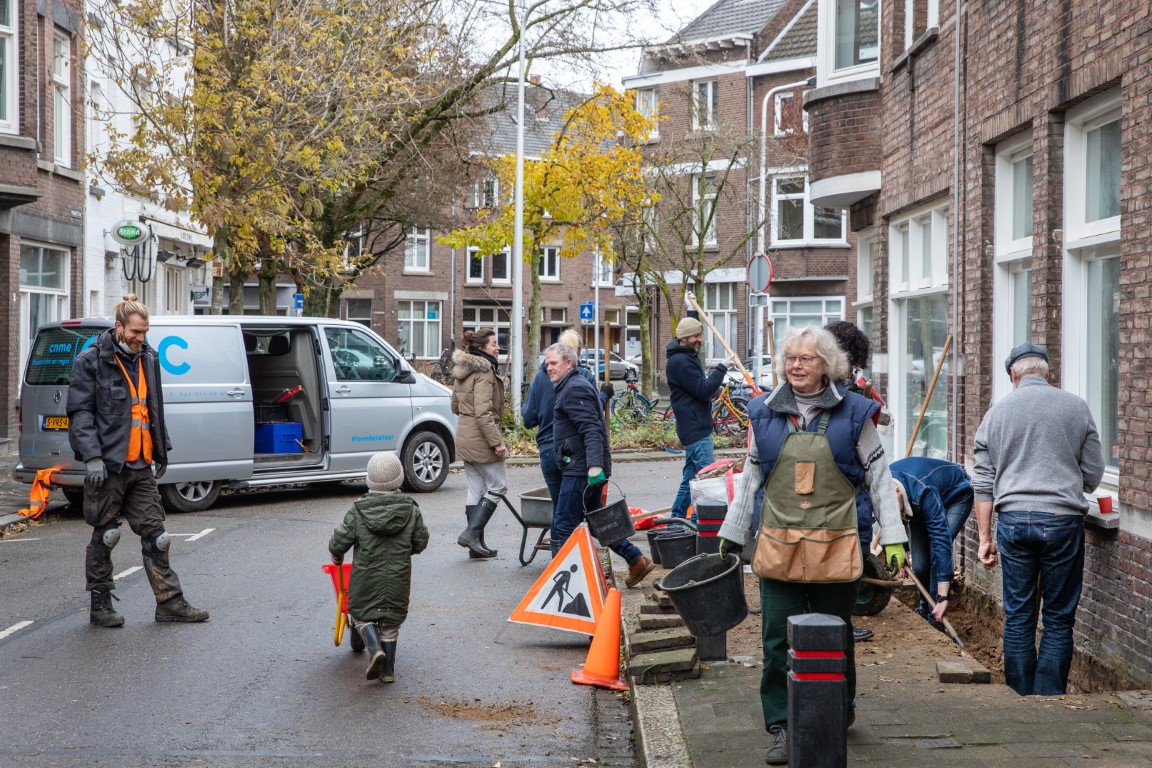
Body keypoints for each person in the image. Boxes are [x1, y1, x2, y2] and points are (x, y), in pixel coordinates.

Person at [716, 325, 908, 765]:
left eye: (807, 359)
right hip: (778, 545)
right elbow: (751, 479)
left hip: (836, 546)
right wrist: (731, 531)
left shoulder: (857, 413)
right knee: (775, 641)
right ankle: (783, 726)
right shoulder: (762, 411)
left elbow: (879, 479)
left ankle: (835, 711)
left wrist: (893, 536)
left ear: (828, 366)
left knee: (835, 636)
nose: (796, 366)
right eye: (791, 359)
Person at [67, 294, 209, 627]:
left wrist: (161, 449)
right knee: (106, 535)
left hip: (140, 463)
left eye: (145, 332)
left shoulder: (148, 358)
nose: (140, 339)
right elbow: (80, 414)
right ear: (118, 327)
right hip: (108, 465)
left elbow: (152, 408)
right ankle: (100, 605)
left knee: (157, 536)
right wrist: (92, 458)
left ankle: (169, 602)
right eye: (135, 332)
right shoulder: (91, 361)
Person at [973, 342, 1104, 696]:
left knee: (1018, 616)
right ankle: (1048, 701)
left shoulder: (995, 414)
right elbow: (1093, 475)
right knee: (1058, 618)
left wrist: (985, 538)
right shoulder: (1076, 407)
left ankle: (1020, 696)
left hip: (1013, 521)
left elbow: (983, 483)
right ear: (1047, 373)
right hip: (1062, 521)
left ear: (1012, 375)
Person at [544, 343, 654, 587]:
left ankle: (567, 585)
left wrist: (594, 466)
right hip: (584, 467)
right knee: (598, 522)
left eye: (553, 363)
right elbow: (592, 414)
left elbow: (592, 429)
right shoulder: (575, 385)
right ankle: (636, 559)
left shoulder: (572, 389)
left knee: (563, 526)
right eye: (547, 363)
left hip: (581, 470)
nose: (547, 367)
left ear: (569, 364)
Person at [329, 451, 429, 682]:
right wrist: (406, 552)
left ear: (369, 480)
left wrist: (336, 555)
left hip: (366, 577)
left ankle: (375, 651)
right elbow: (421, 541)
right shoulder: (411, 510)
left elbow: (340, 540)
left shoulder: (358, 510)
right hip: (398, 578)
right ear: (399, 479)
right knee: (391, 622)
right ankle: (388, 672)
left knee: (361, 614)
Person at [522, 329, 612, 510]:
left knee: (560, 509)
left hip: (548, 450)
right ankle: (576, 538)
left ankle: (561, 538)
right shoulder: (584, 377)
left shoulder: (539, 379)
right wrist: (603, 396)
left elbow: (528, 419)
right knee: (582, 511)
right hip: (574, 453)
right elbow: (591, 415)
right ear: (577, 352)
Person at [888, 457, 974, 630]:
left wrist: (942, 597)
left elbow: (941, 542)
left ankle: (935, 615)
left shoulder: (923, 492)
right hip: (916, 504)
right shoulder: (883, 487)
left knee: (936, 553)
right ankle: (924, 605)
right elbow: (894, 521)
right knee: (919, 565)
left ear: (898, 492)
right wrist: (902, 551)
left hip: (955, 496)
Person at [665, 315, 730, 521]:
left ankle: (676, 520)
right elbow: (702, 390)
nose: (699, 339)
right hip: (695, 430)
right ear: (684, 338)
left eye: (700, 335)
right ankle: (699, 523)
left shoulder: (686, 357)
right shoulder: (681, 361)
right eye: (695, 336)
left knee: (691, 479)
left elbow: (696, 386)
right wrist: (721, 369)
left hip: (694, 426)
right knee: (708, 480)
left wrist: (715, 386)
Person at [451, 328, 507, 559]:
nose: (498, 347)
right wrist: (496, 442)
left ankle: (476, 544)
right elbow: (484, 412)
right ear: (482, 348)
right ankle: (472, 534)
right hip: (481, 438)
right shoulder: (484, 372)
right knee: (498, 486)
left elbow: (454, 406)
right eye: (494, 343)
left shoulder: (463, 370)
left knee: (476, 489)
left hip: (465, 435)